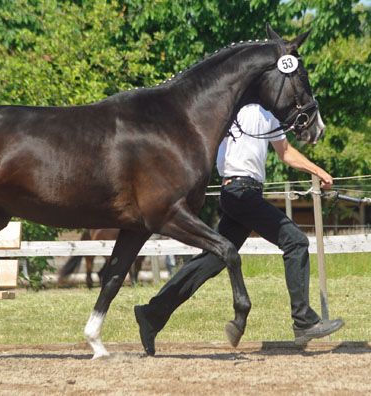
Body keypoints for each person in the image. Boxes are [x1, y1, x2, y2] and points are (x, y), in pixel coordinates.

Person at [134, 104, 345, 356]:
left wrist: (320, 172)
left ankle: (151, 314)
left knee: (211, 261)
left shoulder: (268, 114)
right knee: (295, 241)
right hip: (238, 191)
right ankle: (304, 321)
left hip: (247, 192)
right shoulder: (230, 107)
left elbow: (286, 152)